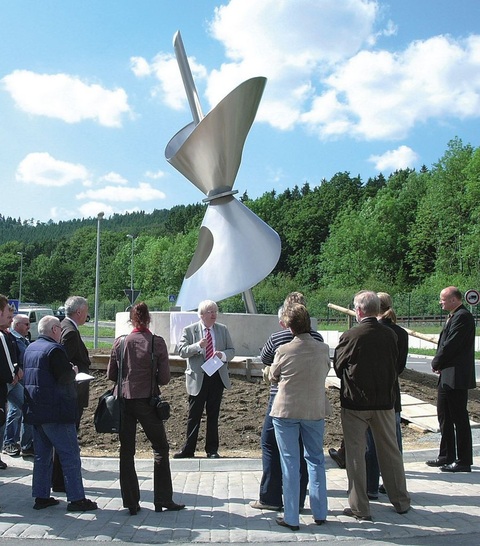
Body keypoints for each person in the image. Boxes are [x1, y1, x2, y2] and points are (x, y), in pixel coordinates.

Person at [334, 290, 410, 521]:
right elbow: (397, 366)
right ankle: (400, 501)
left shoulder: (351, 335)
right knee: (390, 452)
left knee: (356, 456)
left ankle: (360, 507)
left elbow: (338, 367)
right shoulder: (391, 335)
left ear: (358, 310)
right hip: (385, 402)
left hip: (356, 403)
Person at [107, 302, 185, 515]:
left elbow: (111, 375)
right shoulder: (156, 342)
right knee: (160, 447)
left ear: (131, 320)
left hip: (124, 400)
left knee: (126, 450)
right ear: (149, 319)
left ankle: (131, 502)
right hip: (147, 401)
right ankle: (162, 499)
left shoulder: (120, 342)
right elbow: (165, 378)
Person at [250, 292, 324, 512]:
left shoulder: (278, 340)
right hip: (312, 400)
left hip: (281, 399)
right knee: (308, 454)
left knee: (271, 445)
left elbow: (265, 360)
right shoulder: (319, 340)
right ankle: (304, 501)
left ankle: (271, 497)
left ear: (286, 320)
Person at [22, 315, 97, 512]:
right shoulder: (54, 350)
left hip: (36, 411)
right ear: (55, 330)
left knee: (42, 456)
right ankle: (76, 499)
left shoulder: (31, 348)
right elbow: (64, 377)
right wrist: (73, 371)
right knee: (70, 455)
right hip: (56, 411)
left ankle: (41, 496)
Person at [269, 303, 331, 530]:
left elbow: (273, 375)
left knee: (290, 463)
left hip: (286, 410)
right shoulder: (322, 348)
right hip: (314, 409)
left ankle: (291, 516)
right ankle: (320, 512)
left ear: (289, 326)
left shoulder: (284, 350)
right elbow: (325, 371)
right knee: (316, 460)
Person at [174, 300, 235, 459]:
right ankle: (189, 450)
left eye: (215, 311)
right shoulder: (190, 330)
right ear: (201, 315)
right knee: (194, 415)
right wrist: (197, 346)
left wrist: (222, 355)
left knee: (213, 415)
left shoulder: (222, 329)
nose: (214, 315)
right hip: (198, 377)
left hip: (216, 375)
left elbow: (232, 350)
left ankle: (212, 450)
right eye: (210, 312)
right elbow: (181, 351)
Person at [426, 286, 476, 473]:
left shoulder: (462, 316)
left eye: (443, 299)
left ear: (454, 299)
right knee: (444, 416)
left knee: (459, 417)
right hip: (447, 374)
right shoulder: (454, 316)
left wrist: (436, 361)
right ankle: (446, 454)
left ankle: (463, 460)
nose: (441, 302)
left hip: (456, 376)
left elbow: (451, 345)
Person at [366, 292, 408, 499]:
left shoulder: (374, 331)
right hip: (393, 392)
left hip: (373, 394)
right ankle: (396, 486)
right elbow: (400, 366)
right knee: (394, 444)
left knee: (372, 443)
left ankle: (371, 486)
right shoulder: (401, 332)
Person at [52, 295, 92, 491]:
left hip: (71, 393)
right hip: (71, 394)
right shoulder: (70, 332)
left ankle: (58, 480)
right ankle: (60, 481)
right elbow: (62, 362)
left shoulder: (66, 327)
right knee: (67, 438)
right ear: (79, 312)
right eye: (86, 311)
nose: (87, 314)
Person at [2, 314, 34, 458]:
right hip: (10, 380)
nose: (29, 327)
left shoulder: (16, 338)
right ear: (17, 325)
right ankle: (9, 443)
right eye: (26, 324)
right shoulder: (10, 337)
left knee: (28, 407)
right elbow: (10, 357)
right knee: (12, 412)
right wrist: (14, 372)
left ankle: (26, 444)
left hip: (16, 379)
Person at [0, 297, 20, 470]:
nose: (11, 317)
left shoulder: (7, 334)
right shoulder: (1, 336)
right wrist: (13, 373)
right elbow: (7, 370)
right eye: (8, 312)